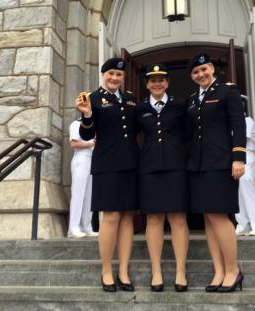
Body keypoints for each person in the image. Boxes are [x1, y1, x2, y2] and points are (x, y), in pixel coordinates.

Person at [76, 57, 139, 292]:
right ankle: (106, 270)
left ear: (123, 77)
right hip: (107, 165)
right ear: (103, 75)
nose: (115, 78)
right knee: (111, 216)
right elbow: (86, 135)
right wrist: (87, 115)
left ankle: (123, 270)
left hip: (131, 164)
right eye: (111, 73)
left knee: (127, 217)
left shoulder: (132, 99)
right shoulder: (91, 99)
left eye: (119, 74)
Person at [186, 53, 246, 293]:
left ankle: (233, 270)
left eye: (204, 69)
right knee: (208, 220)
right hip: (198, 166)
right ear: (192, 76)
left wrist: (238, 157)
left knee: (220, 217)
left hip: (221, 163)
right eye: (196, 72)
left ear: (212, 69)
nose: (201, 74)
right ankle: (219, 271)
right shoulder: (192, 99)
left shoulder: (227, 92)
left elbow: (238, 124)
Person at [137, 64, 189, 292]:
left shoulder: (180, 106)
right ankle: (156, 271)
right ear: (147, 84)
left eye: (161, 80)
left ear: (167, 83)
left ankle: (180, 271)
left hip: (176, 167)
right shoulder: (139, 109)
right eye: (152, 80)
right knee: (154, 220)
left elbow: (189, 134)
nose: (157, 83)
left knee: (178, 218)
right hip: (149, 169)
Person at [235, 95, 255, 236]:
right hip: (234, 158)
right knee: (237, 192)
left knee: (248, 189)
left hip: (246, 155)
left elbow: (239, 139)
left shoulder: (246, 121)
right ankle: (243, 224)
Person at [68, 119, 98, 238]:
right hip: (81, 158)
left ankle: (87, 226)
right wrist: (91, 143)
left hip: (92, 160)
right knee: (78, 195)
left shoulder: (95, 125)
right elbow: (74, 144)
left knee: (89, 196)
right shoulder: (76, 124)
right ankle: (73, 228)